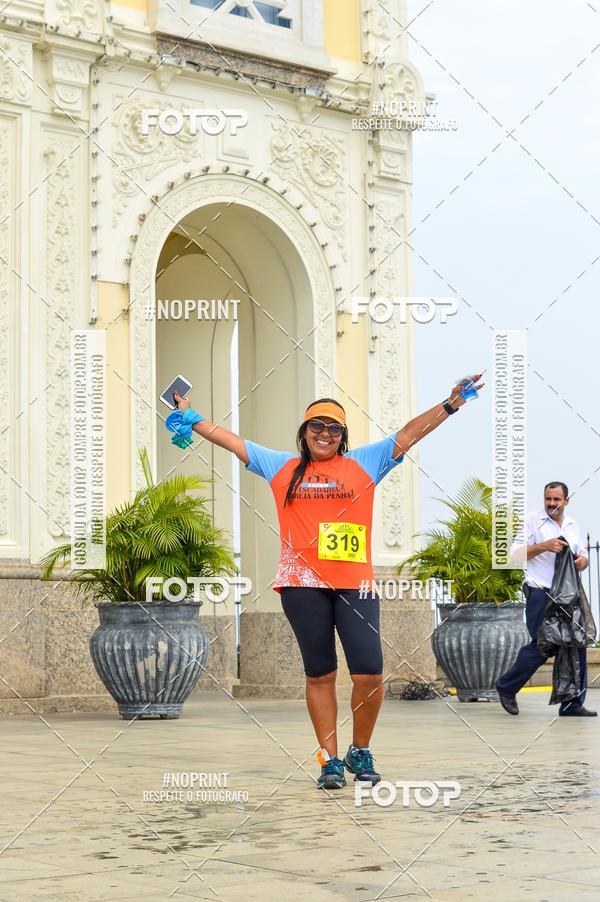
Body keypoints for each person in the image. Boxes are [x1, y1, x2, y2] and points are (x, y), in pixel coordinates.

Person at [167, 375, 484, 789]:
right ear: (305, 432)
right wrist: (190, 418)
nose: (324, 434)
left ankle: (360, 749)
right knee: (320, 674)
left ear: (342, 436)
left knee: (369, 672)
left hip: (356, 585)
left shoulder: (365, 463)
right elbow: (232, 441)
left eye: (333, 428)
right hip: (302, 586)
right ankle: (329, 760)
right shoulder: (282, 466)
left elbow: (408, 434)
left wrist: (450, 403)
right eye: (316, 426)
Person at [496, 482, 596, 717]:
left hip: (567, 596)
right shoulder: (533, 520)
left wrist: (584, 562)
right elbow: (513, 554)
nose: (551, 504)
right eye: (548, 499)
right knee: (544, 645)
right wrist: (544, 546)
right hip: (541, 593)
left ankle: (572, 703)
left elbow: (580, 554)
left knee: (576, 643)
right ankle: (507, 686)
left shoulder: (572, 525)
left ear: (566, 500)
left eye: (556, 499)